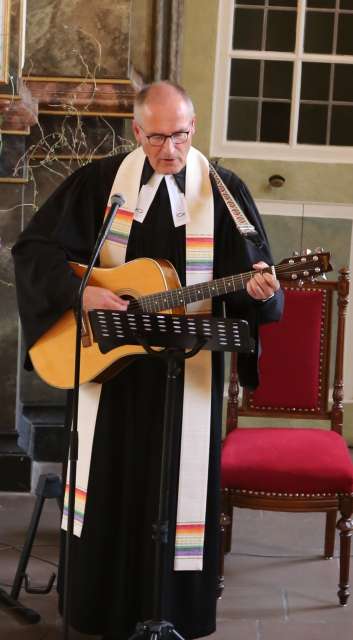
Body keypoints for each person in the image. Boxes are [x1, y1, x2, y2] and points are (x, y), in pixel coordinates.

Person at [12, 81, 283, 639]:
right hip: (108, 377)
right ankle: (99, 610)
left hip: (187, 379)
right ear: (137, 131)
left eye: (180, 135)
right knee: (108, 484)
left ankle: (174, 613)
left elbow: (260, 280)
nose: (170, 149)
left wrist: (263, 293)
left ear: (194, 127)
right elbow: (33, 250)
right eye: (157, 136)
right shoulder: (100, 186)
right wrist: (83, 292)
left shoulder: (224, 192)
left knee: (174, 491)